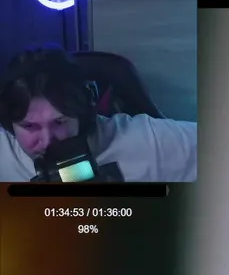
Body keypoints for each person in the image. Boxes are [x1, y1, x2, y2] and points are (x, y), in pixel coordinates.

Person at [0, 46, 196, 183]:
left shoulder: (147, 141)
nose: (47, 141)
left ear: (83, 114)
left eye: (59, 122)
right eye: (29, 126)